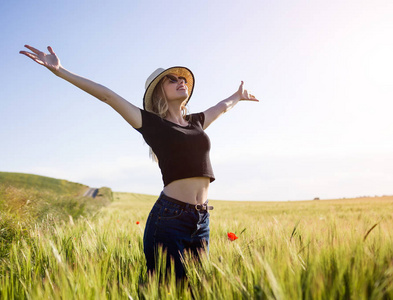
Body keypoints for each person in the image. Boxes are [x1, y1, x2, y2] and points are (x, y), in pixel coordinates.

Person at [19, 45, 259, 279]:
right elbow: (107, 96)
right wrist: (61, 71)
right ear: (158, 93)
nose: (181, 81)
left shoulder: (196, 123)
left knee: (195, 290)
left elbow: (222, 108)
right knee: (168, 290)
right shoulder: (153, 125)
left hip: (202, 219)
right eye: (172, 80)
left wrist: (237, 96)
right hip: (170, 219)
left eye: (182, 79)